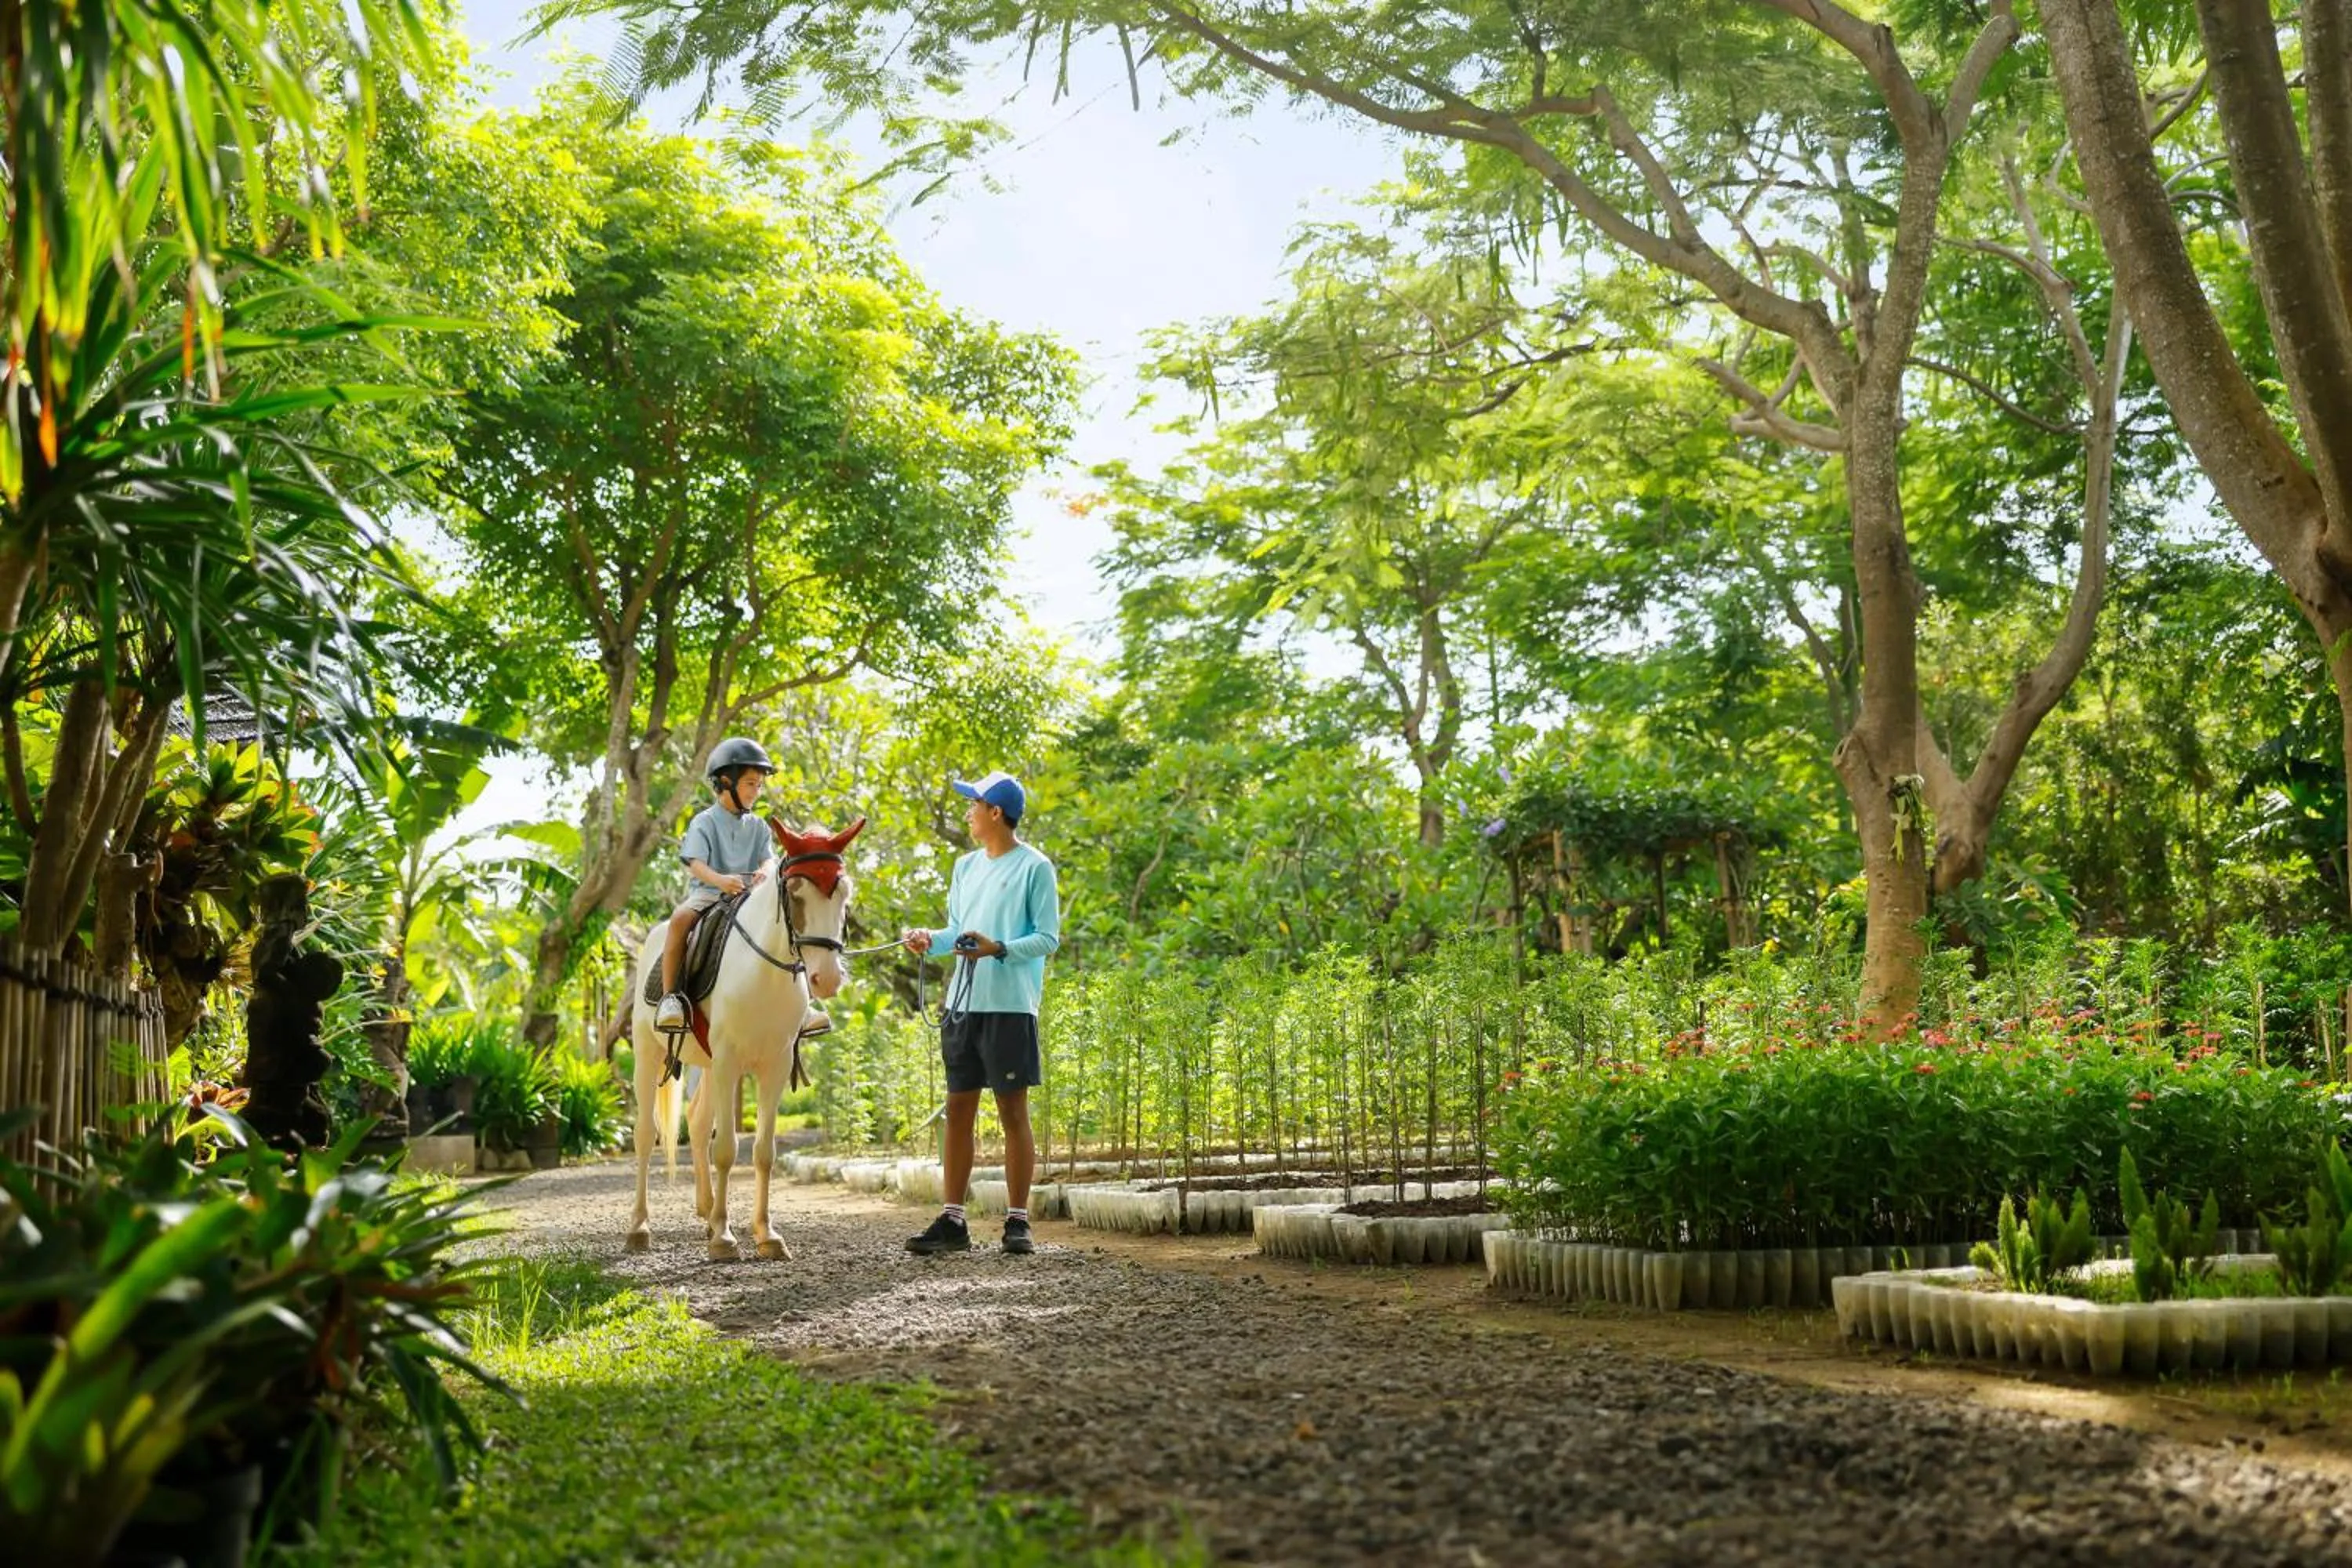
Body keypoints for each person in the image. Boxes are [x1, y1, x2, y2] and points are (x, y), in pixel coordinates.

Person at [899, 770, 1061, 1256]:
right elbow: (956, 932)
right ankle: (953, 1222)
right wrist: (931, 939)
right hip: (962, 1006)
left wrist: (999, 949)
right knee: (958, 1111)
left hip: (1010, 1006)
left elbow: (1048, 938)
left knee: (1013, 1112)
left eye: (974, 804)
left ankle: (1017, 1222)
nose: (967, 811)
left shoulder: (1036, 867)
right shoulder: (965, 867)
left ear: (996, 813)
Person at [656, 737, 778, 1033]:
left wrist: (764, 871)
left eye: (760, 785)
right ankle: (670, 998)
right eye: (751, 784)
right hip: (709, 894)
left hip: (751, 897)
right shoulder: (704, 822)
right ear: (726, 782)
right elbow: (695, 863)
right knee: (679, 921)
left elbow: (769, 860)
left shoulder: (760, 827)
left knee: (787, 922)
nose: (756, 792)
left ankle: (803, 1005)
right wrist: (722, 881)